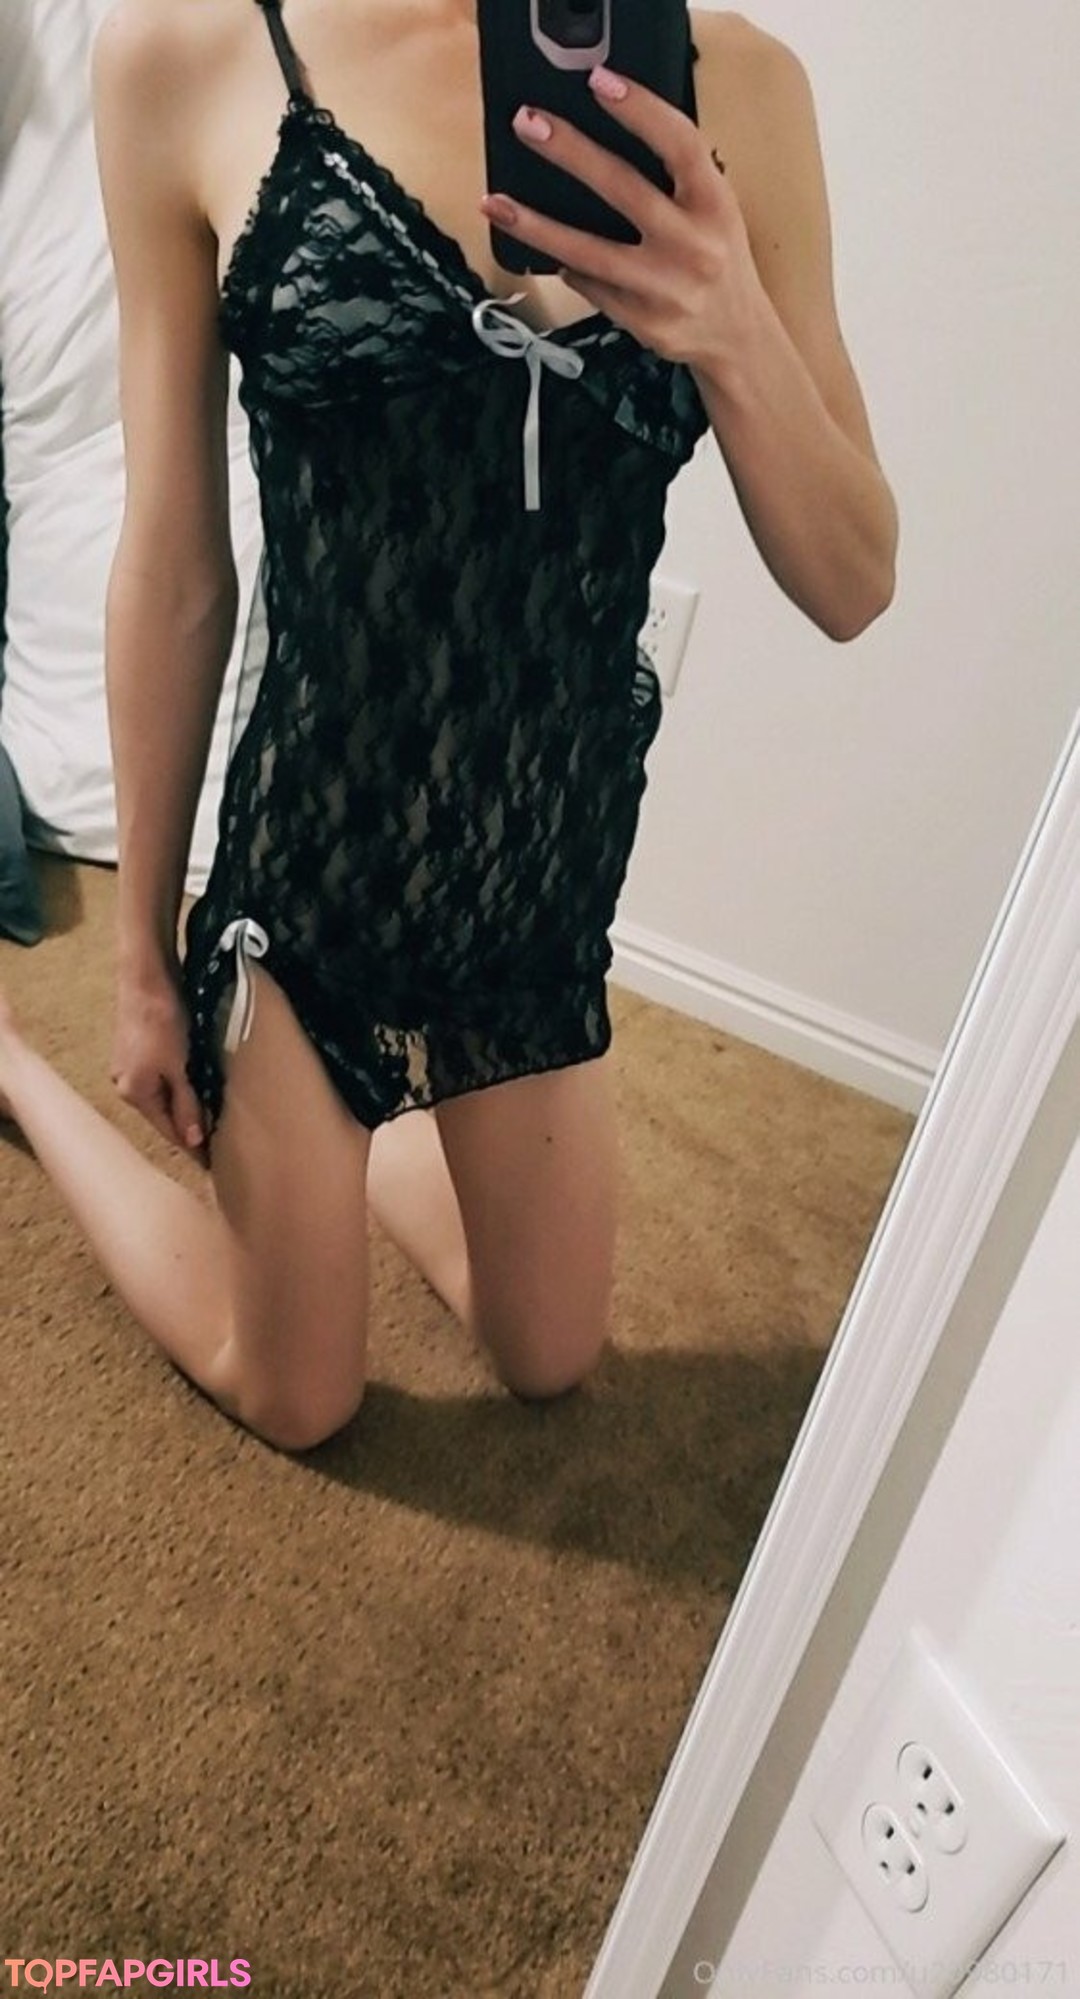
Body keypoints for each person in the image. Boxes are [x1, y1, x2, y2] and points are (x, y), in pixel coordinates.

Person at [0, 0, 897, 1454]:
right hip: (313, 883)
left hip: (540, 894)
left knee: (550, 1355)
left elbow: (854, 583)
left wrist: (732, 328)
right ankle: (16, 1074)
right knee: (295, 1393)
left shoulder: (739, 85)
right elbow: (171, 568)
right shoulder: (187, 54)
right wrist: (138, 962)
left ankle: (358, 1132)